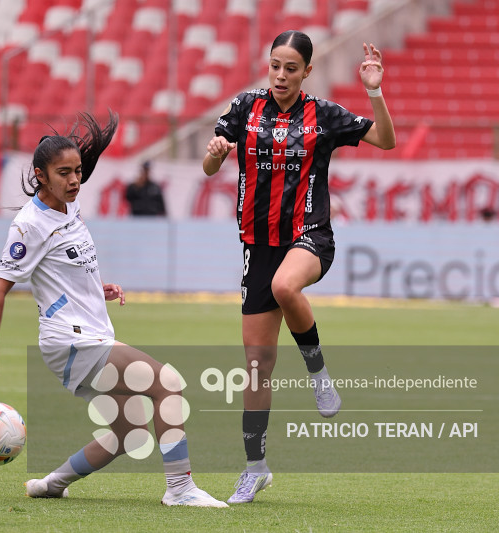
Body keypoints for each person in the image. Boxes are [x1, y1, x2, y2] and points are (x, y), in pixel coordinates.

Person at [0, 112, 227, 508]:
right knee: (167, 384)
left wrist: (96, 288)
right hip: (71, 341)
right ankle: (180, 488)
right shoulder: (29, 225)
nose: (74, 180)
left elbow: (65, 268)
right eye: (63, 173)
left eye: (77, 171)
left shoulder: (67, 207)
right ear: (41, 175)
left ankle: (52, 484)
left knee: (130, 432)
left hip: (87, 335)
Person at [203, 31, 396, 503]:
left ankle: (319, 374)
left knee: (287, 286)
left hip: (309, 235)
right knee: (256, 368)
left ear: (307, 71)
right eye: (275, 65)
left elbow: (386, 141)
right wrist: (213, 156)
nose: (281, 75)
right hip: (257, 243)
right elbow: (211, 166)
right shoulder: (245, 108)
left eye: (291, 68)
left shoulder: (324, 115)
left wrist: (374, 90)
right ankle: (255, 469)